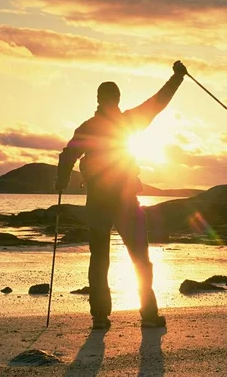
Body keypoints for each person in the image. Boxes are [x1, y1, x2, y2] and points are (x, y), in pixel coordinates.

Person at [55, 60, 188, 329]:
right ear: (116, 99)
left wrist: (62, 180)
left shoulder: (89, 126)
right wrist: (177, 78)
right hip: (126, 198)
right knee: (140, 258)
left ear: (98, 99)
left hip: (99, 200)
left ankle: (101, 317)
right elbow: (158, 103)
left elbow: (67, 154)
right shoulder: (128, 122)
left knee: (100, 258)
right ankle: (148, 315)